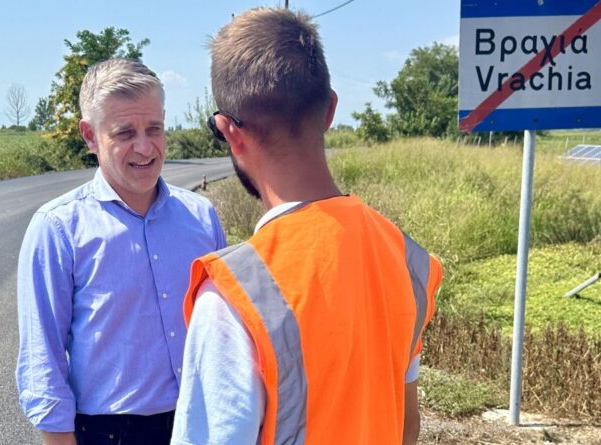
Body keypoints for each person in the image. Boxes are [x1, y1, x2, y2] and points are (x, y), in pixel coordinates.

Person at [171, 8, 442, 445]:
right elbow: (406, 423)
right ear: (330, 109)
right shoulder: (406, 258)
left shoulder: (234, 294)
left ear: (228, 131)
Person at [16, 58, 226, 445]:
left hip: (202, 423)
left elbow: (225, 331)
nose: (144, 147)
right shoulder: (59, 228)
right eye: (124, 132)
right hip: (109, 432)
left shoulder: (201, 217)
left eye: (155, 128)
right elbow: (42, 362)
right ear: (90, 136)